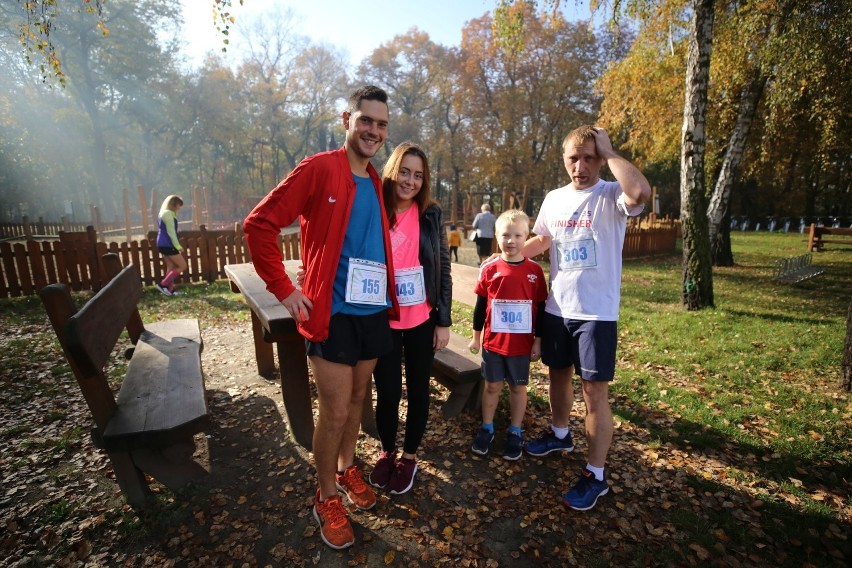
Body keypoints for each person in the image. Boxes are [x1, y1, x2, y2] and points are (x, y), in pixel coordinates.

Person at [243, 86, 399, 550]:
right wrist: (285, 290)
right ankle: (325, 494)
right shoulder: (319, 168)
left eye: (382, 124)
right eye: (366, 121)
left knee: (356, 400)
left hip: (372, 313)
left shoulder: (375, 181)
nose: (373, 130)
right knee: (332, 409)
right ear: (347, 119)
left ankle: (347, 467)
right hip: (331, 314)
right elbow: (259, 225)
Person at [521, 125, 650, 511]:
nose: (581, 166)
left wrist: (610, 152)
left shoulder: (612, 194)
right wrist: (511, 255)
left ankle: (596, 474)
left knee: (595, 393)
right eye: (574, 158)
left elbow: (640, 191)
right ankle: (560, 434)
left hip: (596, 313)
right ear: (564, 160)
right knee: (556, 374)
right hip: (557, 308)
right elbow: (543, 240)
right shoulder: (554, 198)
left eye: (589, 158)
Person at [368, 142, 452, 495]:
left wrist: (443, 320)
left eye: (418, 175)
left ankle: (410, 456)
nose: (410, 181)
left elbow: (443, 267)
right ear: (392, 171)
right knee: (387, 392)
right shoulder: (374, 208)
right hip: (382, 318)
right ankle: (387, 451)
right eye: (405, 171)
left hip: (421, 318)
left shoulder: (430, 214)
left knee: (419, 390)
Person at [468, 210, 547, 460]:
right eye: (505, 235)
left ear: (527, 237)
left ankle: (515, 430)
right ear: (496, 236)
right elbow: (481, 306)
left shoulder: (535, 271)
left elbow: (542, 309)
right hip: (493, 342)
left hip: (521, 345)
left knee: (517, 387)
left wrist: (538, 340)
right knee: (491, 385)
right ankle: (487, 427)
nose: (511, 240)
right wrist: (475, 336)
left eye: (517, 235)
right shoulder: (490, 268)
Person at [155, 194, 187, 296]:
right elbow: (171, 232)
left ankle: (170, 290)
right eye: (178, 205)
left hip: (162, 243)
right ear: (173, 204)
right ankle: (163, 285)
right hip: (168, 244)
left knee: (171, 266)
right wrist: (178, 246)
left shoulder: (163, 213)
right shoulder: (168, 214)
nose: (179, 207)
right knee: (182, 266)